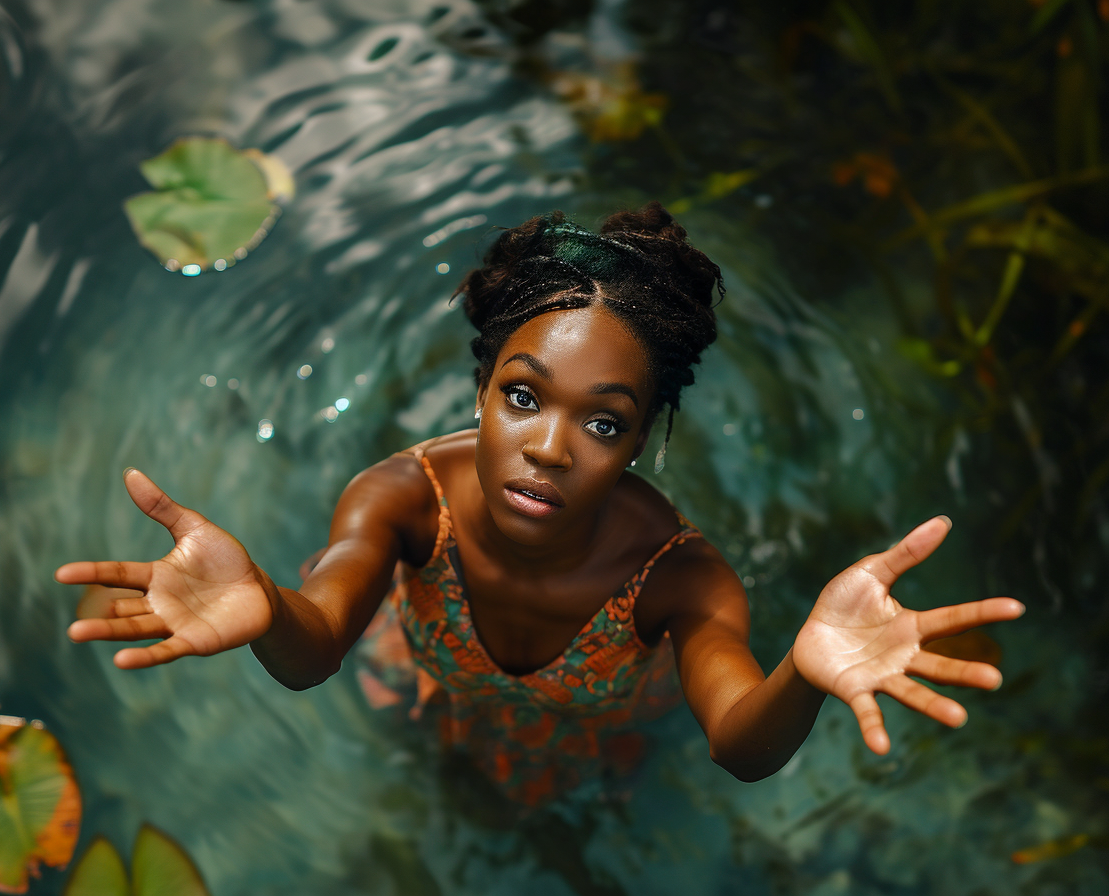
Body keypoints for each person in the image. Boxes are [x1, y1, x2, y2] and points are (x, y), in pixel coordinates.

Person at [57, 203, 1024, 806]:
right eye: (522, 397)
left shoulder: (677, 578)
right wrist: (267, 599)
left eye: (603, 424)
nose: (551, 447)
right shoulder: (402, 499)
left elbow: (735, 743)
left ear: (640, 438)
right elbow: (316, 649)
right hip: (432, 687)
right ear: (481, 389)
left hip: (594, 733)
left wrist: (805, 674)